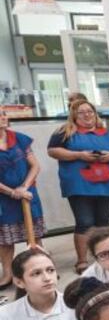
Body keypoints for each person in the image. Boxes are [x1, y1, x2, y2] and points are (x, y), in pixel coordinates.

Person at [47, 99, 109, 274]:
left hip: (105, 183)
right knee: (85, 222)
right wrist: (79, 155)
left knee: (102, 222)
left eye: (90, 111)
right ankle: (82, 260)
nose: (87, 115)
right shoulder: (65, 132)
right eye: (81, 112)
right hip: (79, 185)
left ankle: (103, 256)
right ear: (74, 115)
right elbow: (52, 150)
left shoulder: (107, 133)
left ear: (95, 113)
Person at [0, 111, 43, 286]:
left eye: (3, 114)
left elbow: (35, 165)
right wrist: (12, 192)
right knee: (4, 240)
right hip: (4, 199)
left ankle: (39, 268)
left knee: (34, 236)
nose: (3, 117)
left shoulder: (19, 138)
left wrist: (24, 186)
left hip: (27, 194)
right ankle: (8, 274)